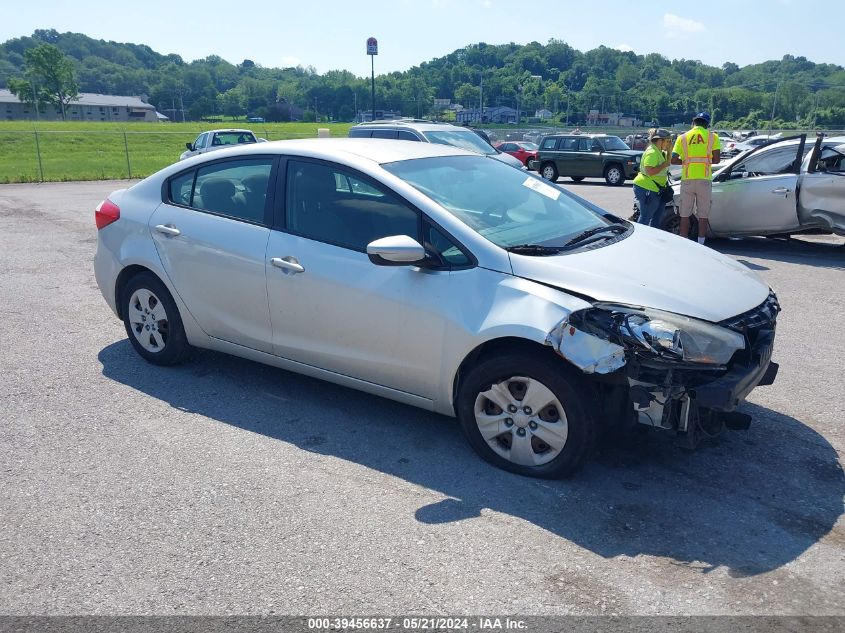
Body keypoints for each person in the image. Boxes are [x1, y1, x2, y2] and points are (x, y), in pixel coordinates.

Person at [672, 112, 720, 244]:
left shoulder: (682, 137)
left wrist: (687, 161)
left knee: (684, 214)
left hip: (687, 179)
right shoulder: (713, 137)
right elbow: (716, 160)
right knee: (703, 215)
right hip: (704, 179)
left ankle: (683, 242)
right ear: (707, 124)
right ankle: (701, 244)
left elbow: (673, 159)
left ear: (694, 122)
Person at [632, 128, 672, 228]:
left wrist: (669, 151)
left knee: (657, 217)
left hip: (656, 189)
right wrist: (664, 164)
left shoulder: (659, 151)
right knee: (645, 217)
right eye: (668, 141)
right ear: (660, 140)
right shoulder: (652, 152)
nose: (669, 143)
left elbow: (668, 161)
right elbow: (650, 171)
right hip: (647, 188)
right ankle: (639, 239)